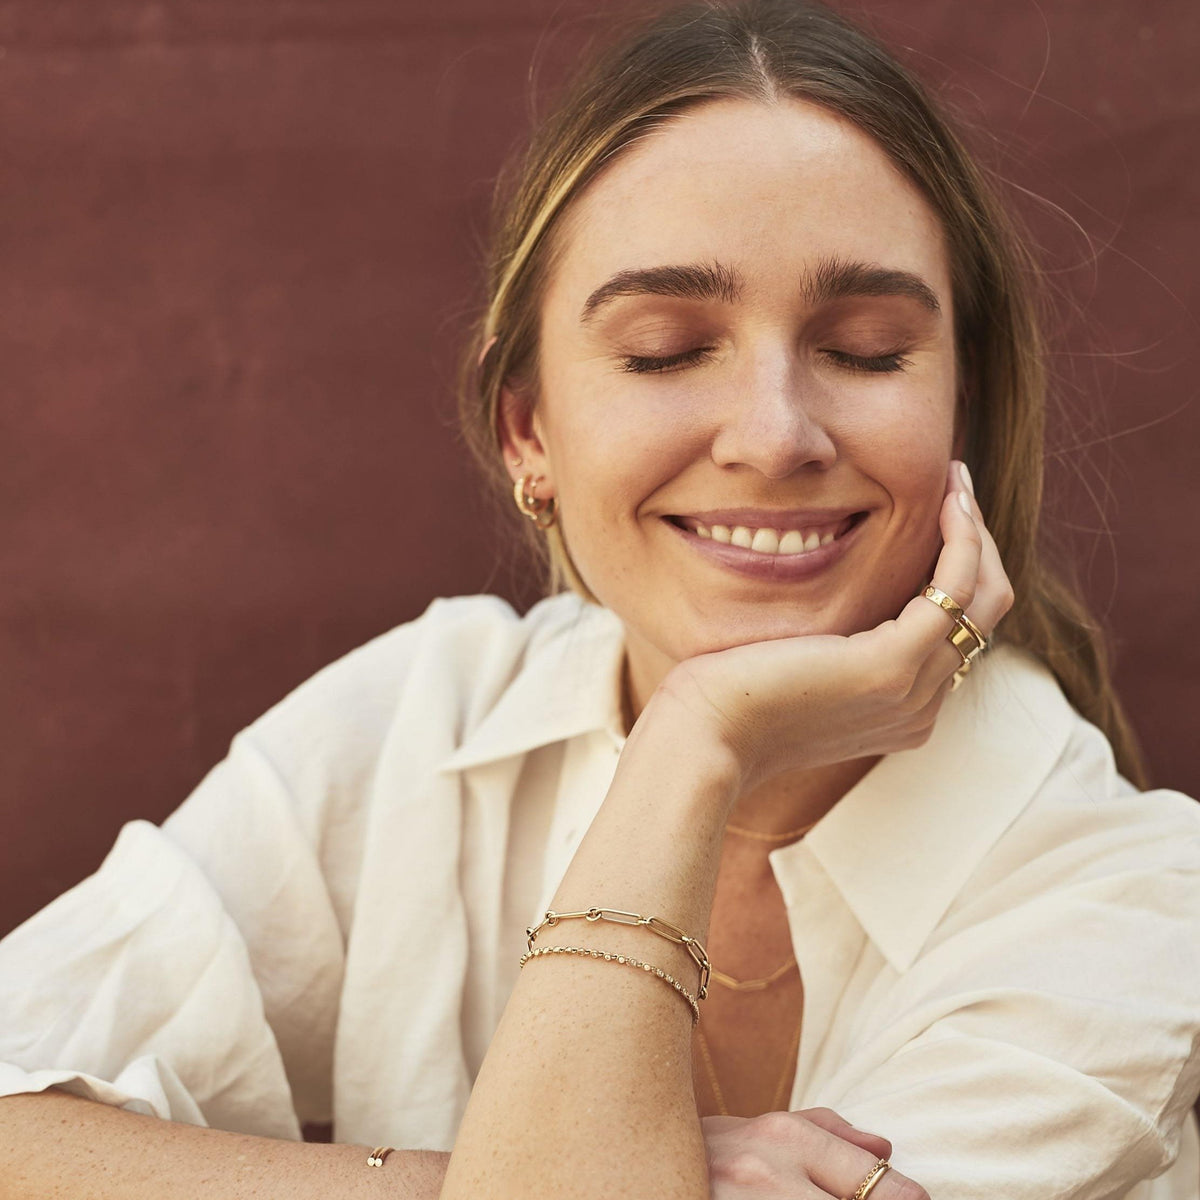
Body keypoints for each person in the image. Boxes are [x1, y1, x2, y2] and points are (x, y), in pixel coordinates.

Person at [1, 0, 1198, 1197]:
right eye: (666, 349)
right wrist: (461, 1178)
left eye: (867, 349)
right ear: (530, 433)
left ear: (963, 413)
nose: (774, 435)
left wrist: (696, 740)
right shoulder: (428, 716)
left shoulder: (1132, 901)